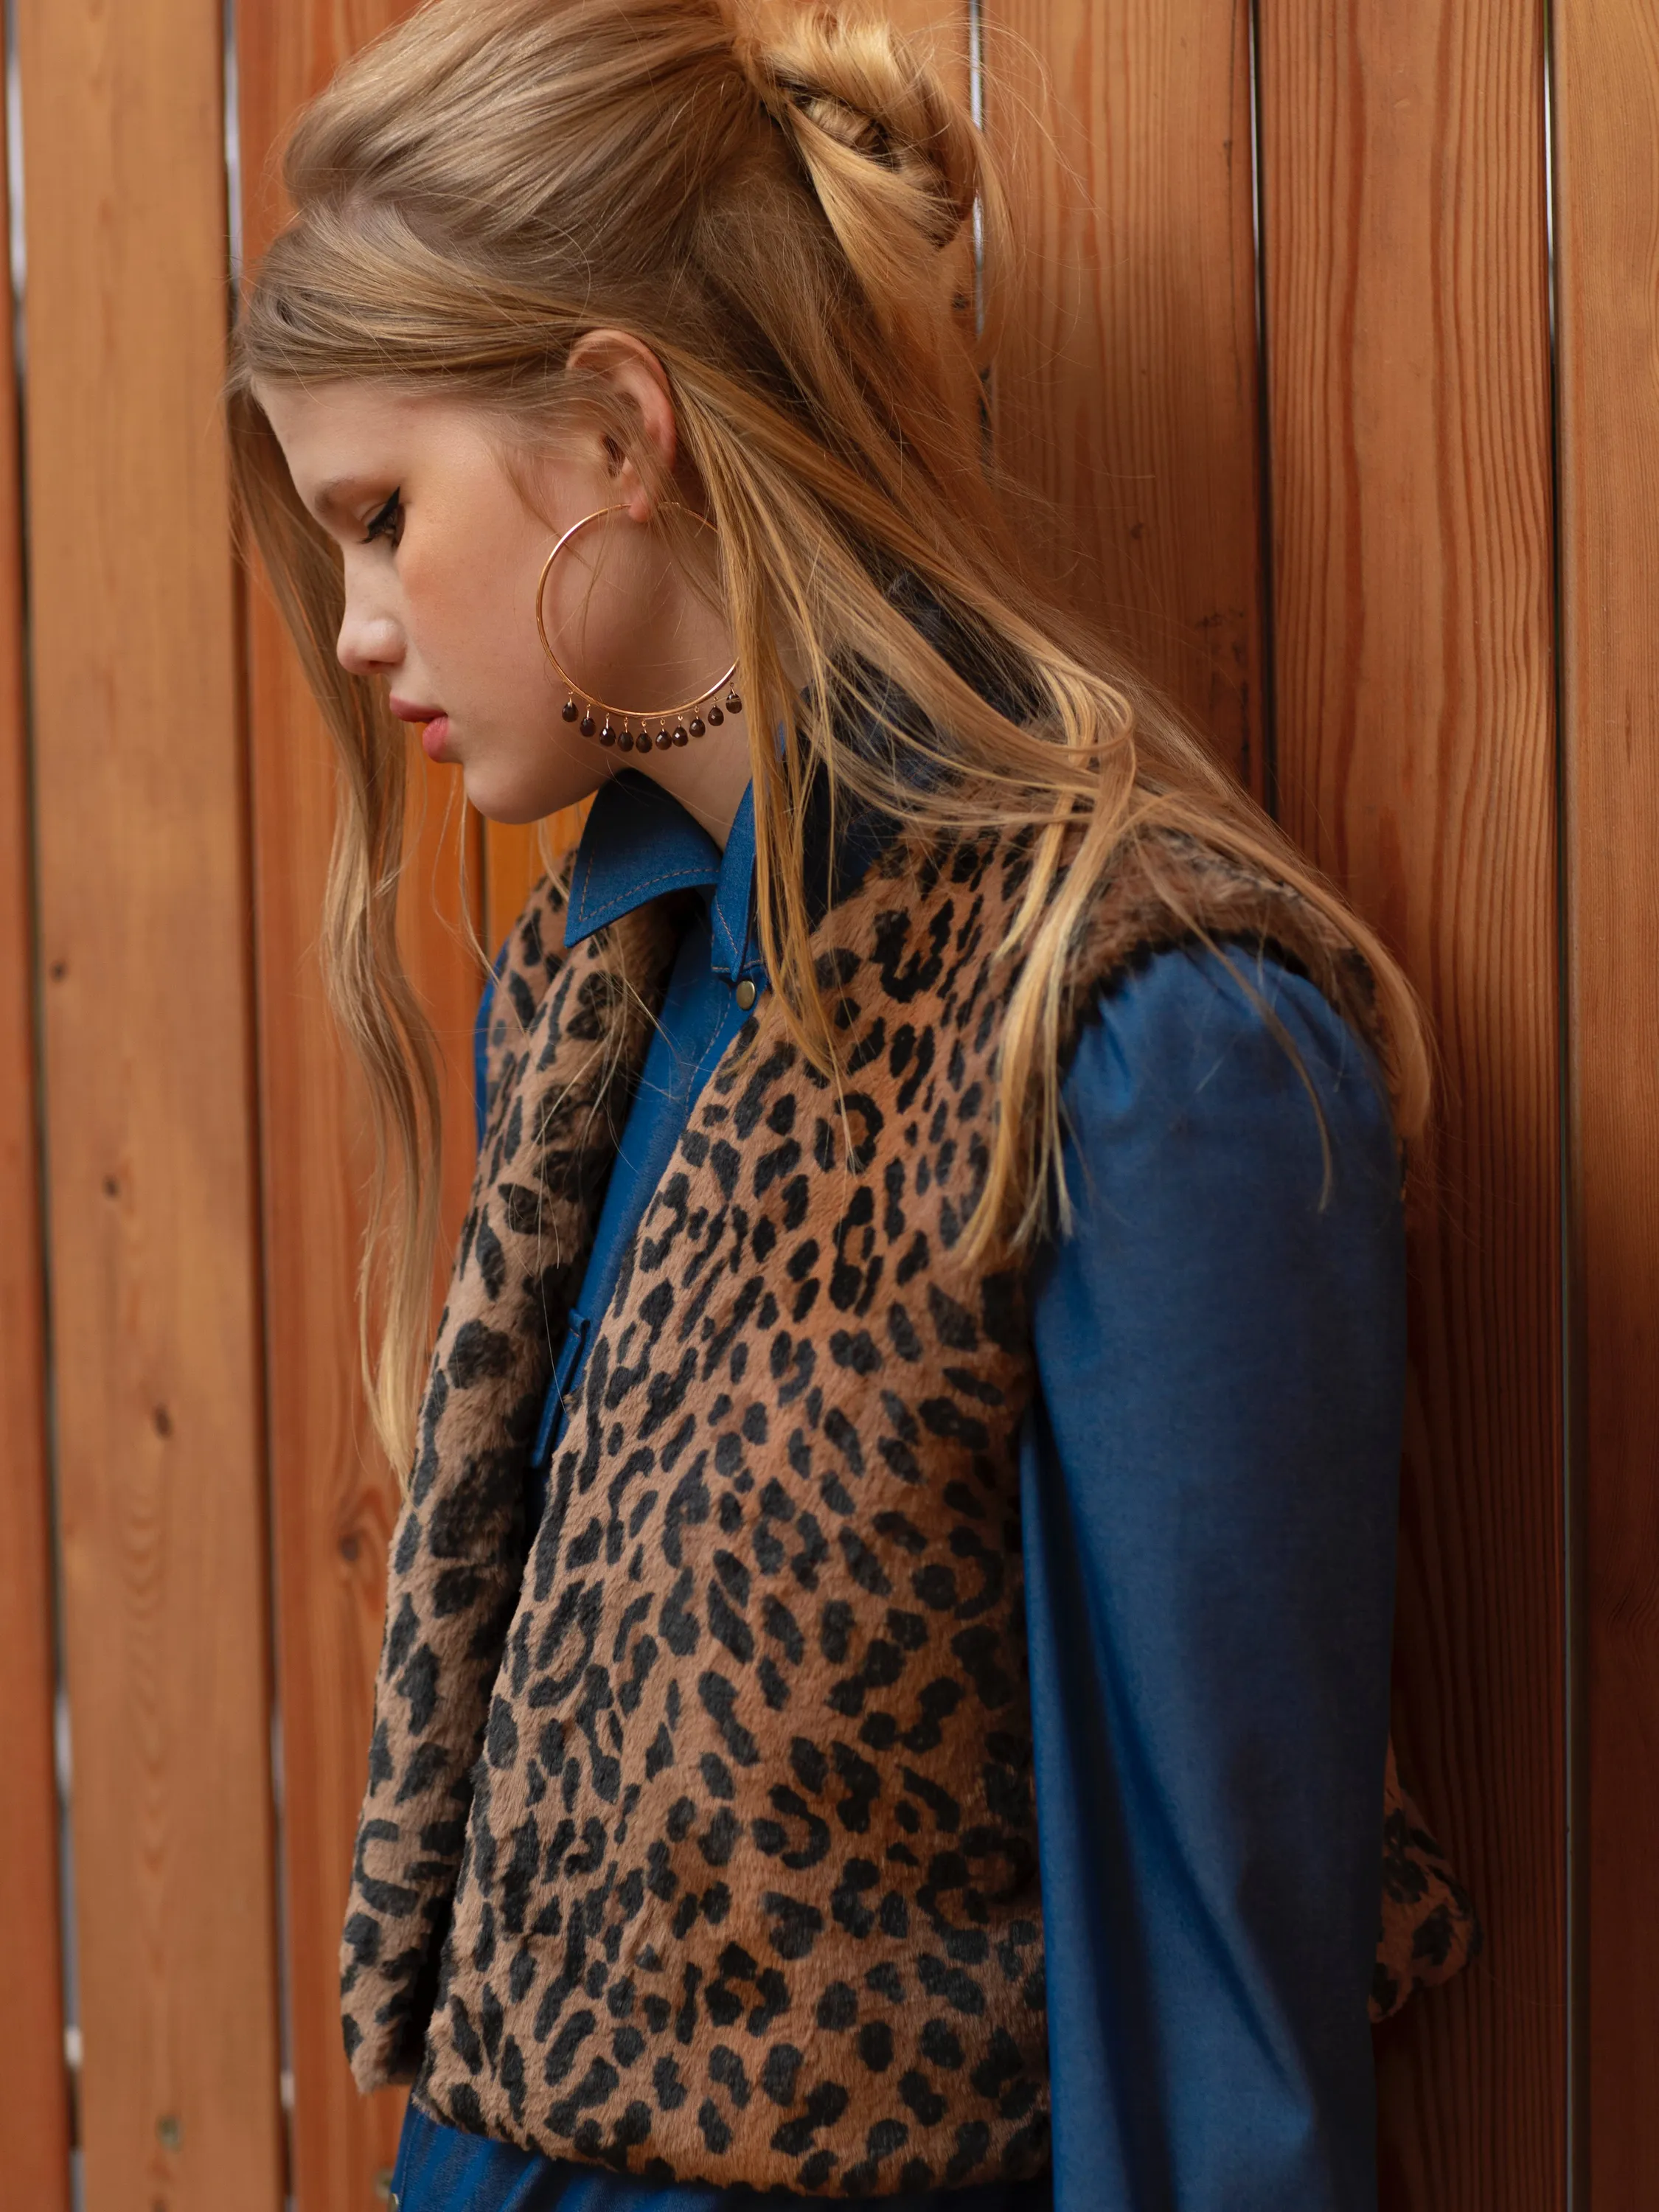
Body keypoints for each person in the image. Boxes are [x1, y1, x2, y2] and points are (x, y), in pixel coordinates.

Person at [228, 1, 1476, 2204]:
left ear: (618, 427)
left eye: (384, 517)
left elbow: (1215, 2030)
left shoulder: (1140, 1036)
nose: (354, 627)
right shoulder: (592, 998)